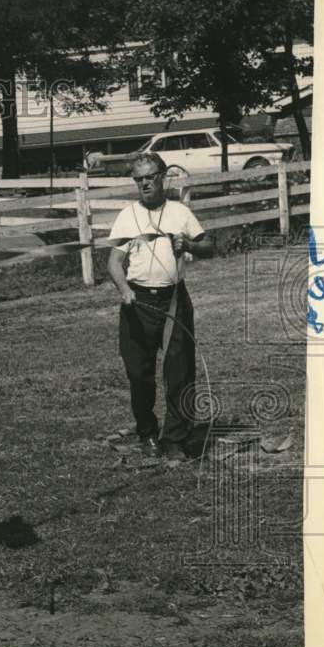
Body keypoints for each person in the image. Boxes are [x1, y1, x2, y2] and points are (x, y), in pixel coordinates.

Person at [107, 152, 214, 461]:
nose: (144, 183)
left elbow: (208, 245)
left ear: (163, 176)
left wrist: (190, 245)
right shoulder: (128, 215)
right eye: (138, 179)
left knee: (180, 373)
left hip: (174, 302)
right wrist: (124, 289)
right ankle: (147, 433)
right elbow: (113, 261)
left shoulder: (180, 212)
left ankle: (175, 440)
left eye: (150, 176)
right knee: (138, 374)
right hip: (137, 303)